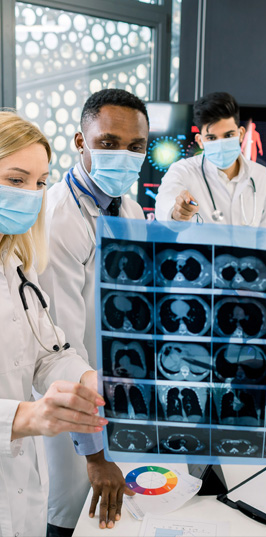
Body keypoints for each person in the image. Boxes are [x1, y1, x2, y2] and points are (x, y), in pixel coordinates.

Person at [38, 89, 148, 535]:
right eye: (108, 143)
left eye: (135, 147)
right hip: (77, 419)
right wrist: (97, 454)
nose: (123, 155)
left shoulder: (132, 209)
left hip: (117, 394)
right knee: (68, 516)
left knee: (114, 522)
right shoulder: (60, 218)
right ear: (81, 143)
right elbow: (62, 349)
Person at [0, 111, 106, 537]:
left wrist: (90, 379)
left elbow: (49, 353)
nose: (33, 194)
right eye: (16, 179)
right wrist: (26, 417)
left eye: (41, 182)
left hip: (20, 489)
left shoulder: (16, 267)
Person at [155, 92, 266, 228]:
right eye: (211, 138)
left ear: (241, 134)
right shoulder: (183, 170)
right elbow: (164, 204)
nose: (221, 144)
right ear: (200, 141)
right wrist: (177, 212)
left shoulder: (262, 176)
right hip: (198, 250)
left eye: (228, 135)